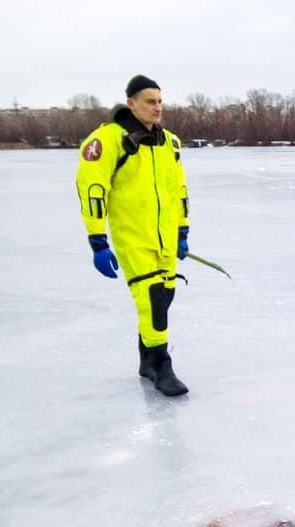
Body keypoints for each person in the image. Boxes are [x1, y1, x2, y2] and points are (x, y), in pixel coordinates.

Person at [75, 74, 191, 396]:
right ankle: (161, 365)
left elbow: (178, 190)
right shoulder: (108, 140)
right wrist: (98, 241)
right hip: (133, 238)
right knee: (153, 299)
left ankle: (146, 361)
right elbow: (93, 189)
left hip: (165, 238)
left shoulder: (169, 142)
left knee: (164, 298)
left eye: (160, 101)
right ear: (131, 103)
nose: (157, 108)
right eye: (150, 102)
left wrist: (182, 230)